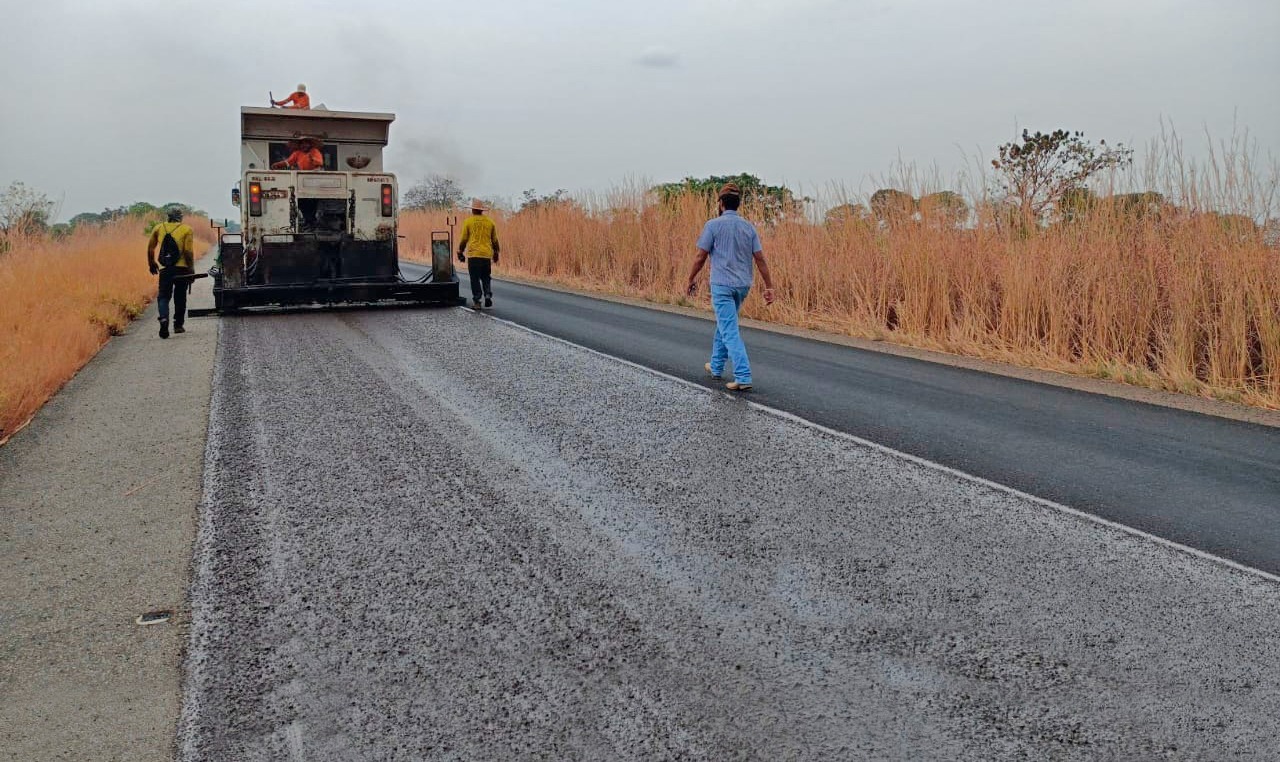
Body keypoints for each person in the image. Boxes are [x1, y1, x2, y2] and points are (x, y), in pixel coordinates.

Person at [685, 183, 776, 391]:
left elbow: (700, 256)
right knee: (725, 323)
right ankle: (716, 366)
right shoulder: (748, 227)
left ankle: (743, 375)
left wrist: (691, 278)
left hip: (722, 285)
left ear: (721, 203)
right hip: (743, 286)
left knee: (729, 329)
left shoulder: (713, 225)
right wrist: (769, 286)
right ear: (738, 204)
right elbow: (760, 258)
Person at [146, 207, 196, 339]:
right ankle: (178, 325)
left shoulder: (158, 228)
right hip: (182, 269)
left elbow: (151, 248)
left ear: (168, 216)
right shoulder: (186, 229)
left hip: (166, 269)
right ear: (180, 217)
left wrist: (151, 263)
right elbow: (188, 252)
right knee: (180, 297)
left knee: (163, 296)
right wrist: (191, 269)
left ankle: (163, 318)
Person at [457, 199, 500, 309]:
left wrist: (460, 251)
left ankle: (477, 301)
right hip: (486, 254)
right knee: (486, 277)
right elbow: (495, 240)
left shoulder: (468, 222)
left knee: (474, 278)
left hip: (473, 255)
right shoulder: (490, 222)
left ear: (473, 210)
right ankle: (487, 294)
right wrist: (496, 252)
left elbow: (464, 239)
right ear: (481, 210)